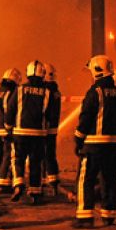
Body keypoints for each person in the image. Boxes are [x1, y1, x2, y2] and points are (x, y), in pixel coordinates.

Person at [73, 55, 116, 228]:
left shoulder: (94, 93)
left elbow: (86, 118)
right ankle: (108, 215)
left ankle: (85, 217)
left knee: (86, 179)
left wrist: (78, 139)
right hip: (114, 145)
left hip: (94, 146)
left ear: (96, 71)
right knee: (110, 180)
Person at [6, 60, 53, 204]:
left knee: (17, 159)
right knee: (35, 163)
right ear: (42, 74)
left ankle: (19, 184)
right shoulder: (47, 92)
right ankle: (35, 193)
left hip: (20, 133)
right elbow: (50, 114)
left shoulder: (19, 90)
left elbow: (10, 110)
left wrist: (8, 128)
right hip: (38, 134)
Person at [0, 67, 19, 193]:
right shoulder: (11, 94)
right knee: (8, 155)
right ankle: (2, 183)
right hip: (7, 130)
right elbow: (9, 112)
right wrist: (9, 127)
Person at [43, 62, 62, 196]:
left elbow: (42, 110)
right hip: (53, 128)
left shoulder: (46, 91)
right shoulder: (56, 91)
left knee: (41, 155)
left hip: (44, 128)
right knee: (50, 155)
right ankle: (53, 182)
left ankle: (44, 181)